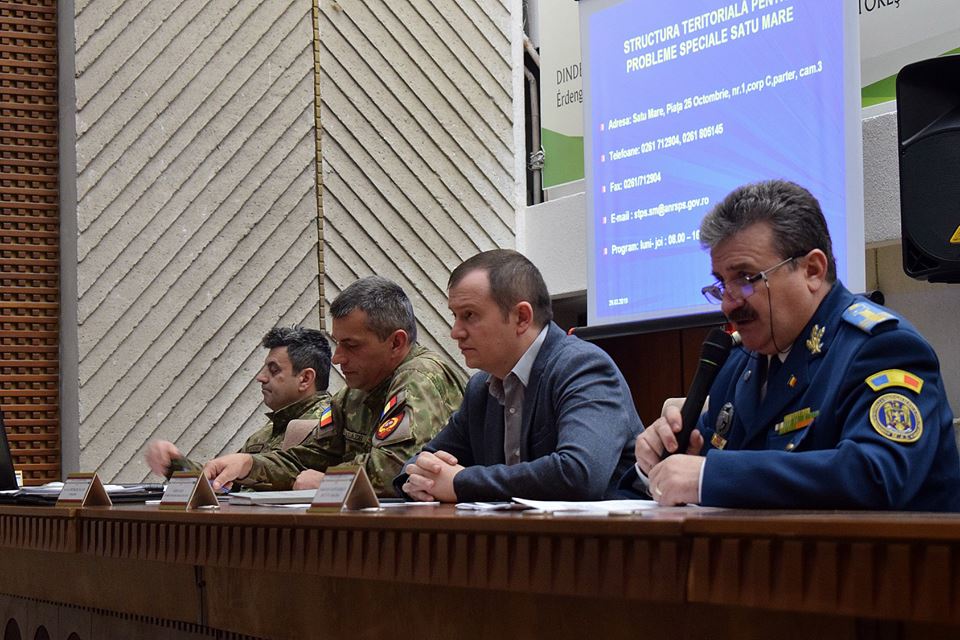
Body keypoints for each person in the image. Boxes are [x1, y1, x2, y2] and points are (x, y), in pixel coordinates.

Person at [626, 179, 960, 510]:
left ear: (812, 270)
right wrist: (657, 459)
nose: (728, 304)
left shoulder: (882, 349)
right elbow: (694, 460)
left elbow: (875, 475)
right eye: (721, 284)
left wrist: (708, 476)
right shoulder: (740, 362)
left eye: (746, 278)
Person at [398, 249, 642, 502]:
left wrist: (461, 482)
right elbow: (421, 461)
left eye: (469, 315)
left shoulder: (582, 366)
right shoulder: (480, 388)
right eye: (455, 316)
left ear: (522, 317)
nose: (455, 332)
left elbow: (580, 474)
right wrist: (418, 477)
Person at [202, 276, 466, 495]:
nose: (337, 358)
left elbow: (396, 469)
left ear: (396, 343)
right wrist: (248, 464)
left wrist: (329, 483)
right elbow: (312, 456)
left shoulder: (420, 376)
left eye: (351, 345)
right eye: (337, 344)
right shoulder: (353, 394)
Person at [144, 326, 333, 484]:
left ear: (305, 378)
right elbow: (224, 483)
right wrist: (175, 464)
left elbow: (295, 478)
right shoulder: (268, 431)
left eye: (273, 370)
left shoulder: (329, 423)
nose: (261, 377)